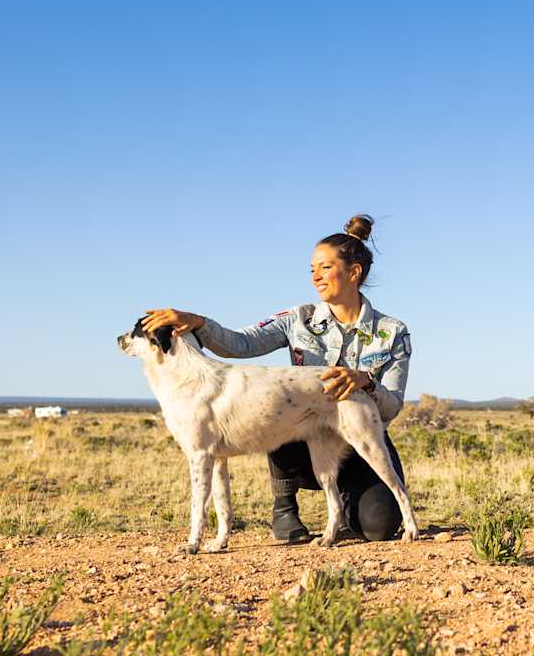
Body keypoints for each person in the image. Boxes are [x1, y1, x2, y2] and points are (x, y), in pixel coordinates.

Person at [140, 214, 412, 544]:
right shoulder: (296, 319)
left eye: (325, 267)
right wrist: (197, 321)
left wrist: (365, 381)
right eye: (312, 268)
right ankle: (285, 509)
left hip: (361, 430)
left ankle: (347, 511)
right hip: (298, 433)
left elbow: (392, 405)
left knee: (378, 528)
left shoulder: (392, 332)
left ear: (353, 273)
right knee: (271, 404)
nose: (316, 276)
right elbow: (241, 344)